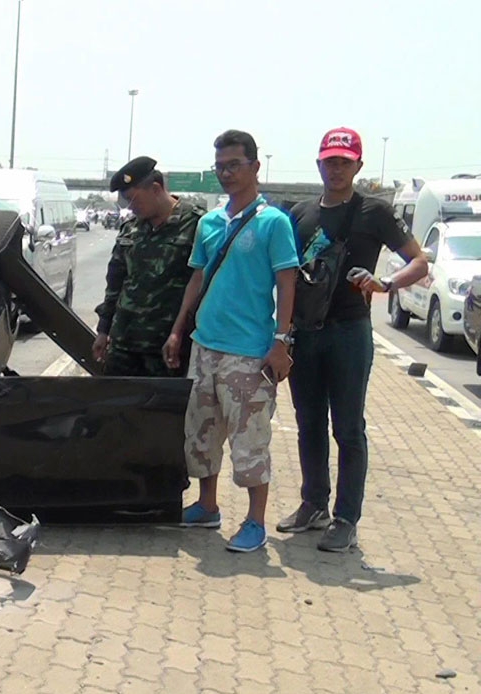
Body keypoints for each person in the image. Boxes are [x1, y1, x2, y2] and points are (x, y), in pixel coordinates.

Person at [278, 128, 428, 551]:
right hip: (306, 333)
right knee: (308, 423)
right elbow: (286, 276)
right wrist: (282, 333)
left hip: (349, 332)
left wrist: (386, 283)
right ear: (319, 164)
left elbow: (419, 262)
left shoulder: (374, 212)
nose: (337, 168)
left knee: (348, 428)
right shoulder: (300, 214)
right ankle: (314, 504)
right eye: (330, 160)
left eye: (345, 161)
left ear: (358, 166)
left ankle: (346, 518)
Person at [162, 130, 299, 552]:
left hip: (248, 352)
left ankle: (255, 522)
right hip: (206, 347)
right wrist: (178, 329)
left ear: (255, 167)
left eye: (234, 165)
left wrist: (281, 341)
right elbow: (198, 277)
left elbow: (287, 281)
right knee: (202, 432)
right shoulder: (210, 222)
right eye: (220, 166)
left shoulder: (273, 222)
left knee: (249, 439)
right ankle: (207, 506)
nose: (226, 173)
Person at [94, 156, 206, 376]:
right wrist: (103, 330)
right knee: (117, 407)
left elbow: (202, 284)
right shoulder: (130, 229)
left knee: (165, 409)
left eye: (132, 199)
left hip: (169, 347)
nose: (130, 207)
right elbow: (115, 282)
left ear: (155, 189)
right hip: (124, 344)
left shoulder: (196, 225)